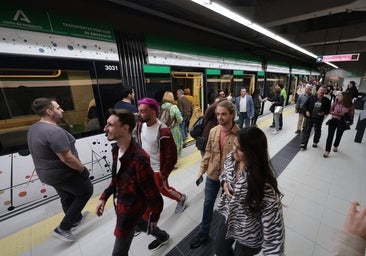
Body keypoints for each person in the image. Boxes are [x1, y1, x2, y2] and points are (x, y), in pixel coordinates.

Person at [96, 109, 167, 255]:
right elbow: (117, 178)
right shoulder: (116, 149)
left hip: (129, 210)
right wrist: (104, 197)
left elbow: (154, 194)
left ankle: (158, 233)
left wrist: (154, 217)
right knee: (140, 223)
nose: (105, 128)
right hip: (123, 203)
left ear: (125, 128)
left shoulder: (139, 159)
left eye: (110, 125)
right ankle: (162, 236)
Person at [27, 97, 93, 242]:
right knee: (86, 191)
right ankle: (63, 228)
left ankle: (75, 219)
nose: (61, 110)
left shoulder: (34, 128)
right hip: (63, 174)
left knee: (66, 196)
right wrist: (82, 169)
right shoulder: (54, 132)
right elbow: (67, 159)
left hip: (47, 174)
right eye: (58, 108)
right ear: (49, 111)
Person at [215, 127, 285, 256]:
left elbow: (274, 227)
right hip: (229, 217)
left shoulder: (262, 184)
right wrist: (224, 183)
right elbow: (224, 174)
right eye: (234, 145)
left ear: (253, 152)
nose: (234, 151)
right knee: (219, 248)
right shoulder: (232, 159)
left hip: (248, 231)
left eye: (240, 149)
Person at [190, 100, 240, 249]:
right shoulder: (213, 131)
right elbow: (208, 153)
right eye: (217, 114)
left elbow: (241, 160)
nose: (219, 117)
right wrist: (201, 171)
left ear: (232, 114)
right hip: (212, 174)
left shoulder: (239, 134)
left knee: (230, 206)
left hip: (230, 179)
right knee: (208, 203)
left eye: (223, 114)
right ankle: (204, 232)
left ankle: (226, 233)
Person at [135, 97, 187, 215]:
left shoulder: (164, 131)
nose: (139, 114)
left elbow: (172, 156)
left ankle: (181, 198)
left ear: (153, 112)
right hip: (144, 167)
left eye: (142, 111)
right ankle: (145, 216)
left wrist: (164, 173)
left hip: (157, 169)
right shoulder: (140, 125)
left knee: (163, 189)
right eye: (139, 111)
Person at [323, 92, 355, 157]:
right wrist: (334, 113)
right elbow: (330, 111)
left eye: (340, 96)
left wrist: (338, 113)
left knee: (339, 135)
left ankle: (335, 146)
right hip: (333, 120)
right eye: (338, 95)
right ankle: (327, 151)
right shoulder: (335, 103)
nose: (338, 97)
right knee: (330, 136)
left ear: (344, 97)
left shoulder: (350, 105)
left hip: (342, 122)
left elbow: (351, 114)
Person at [300, 86, 331, 150]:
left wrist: (323, 113)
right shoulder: (311, 98)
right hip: (310, 117)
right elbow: (304, 106)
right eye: (321, 90)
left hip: (319, 119)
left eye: (323, 90)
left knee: (317, 130)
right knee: (307, 130)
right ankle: (304, 144)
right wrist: (306, 111)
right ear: (317, 91)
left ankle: (315, 142)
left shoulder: (326, 100)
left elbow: (328, 110)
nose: (322, 91)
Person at [160, 91, 184, 158]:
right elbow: (180, 119)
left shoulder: (161, 106)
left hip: (164, 129)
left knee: (166, 145)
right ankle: (173, 161)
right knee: (175, 144)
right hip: (173, 129)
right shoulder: (173, 107)